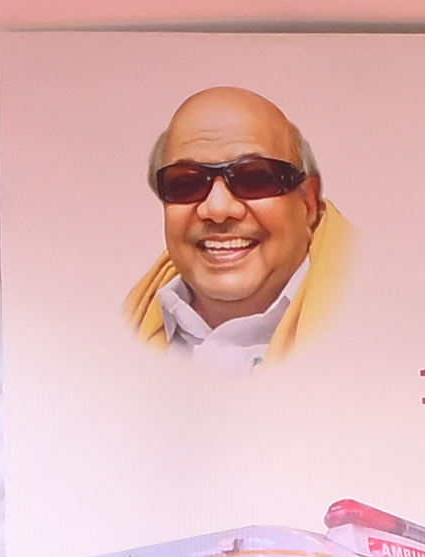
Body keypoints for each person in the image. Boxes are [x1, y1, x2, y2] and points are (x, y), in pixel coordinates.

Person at [125, 87, 350, 365]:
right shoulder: (119, 340)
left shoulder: (375, 320)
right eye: (186, 183)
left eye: (255, 179)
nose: (218, 210)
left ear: (309, 203)